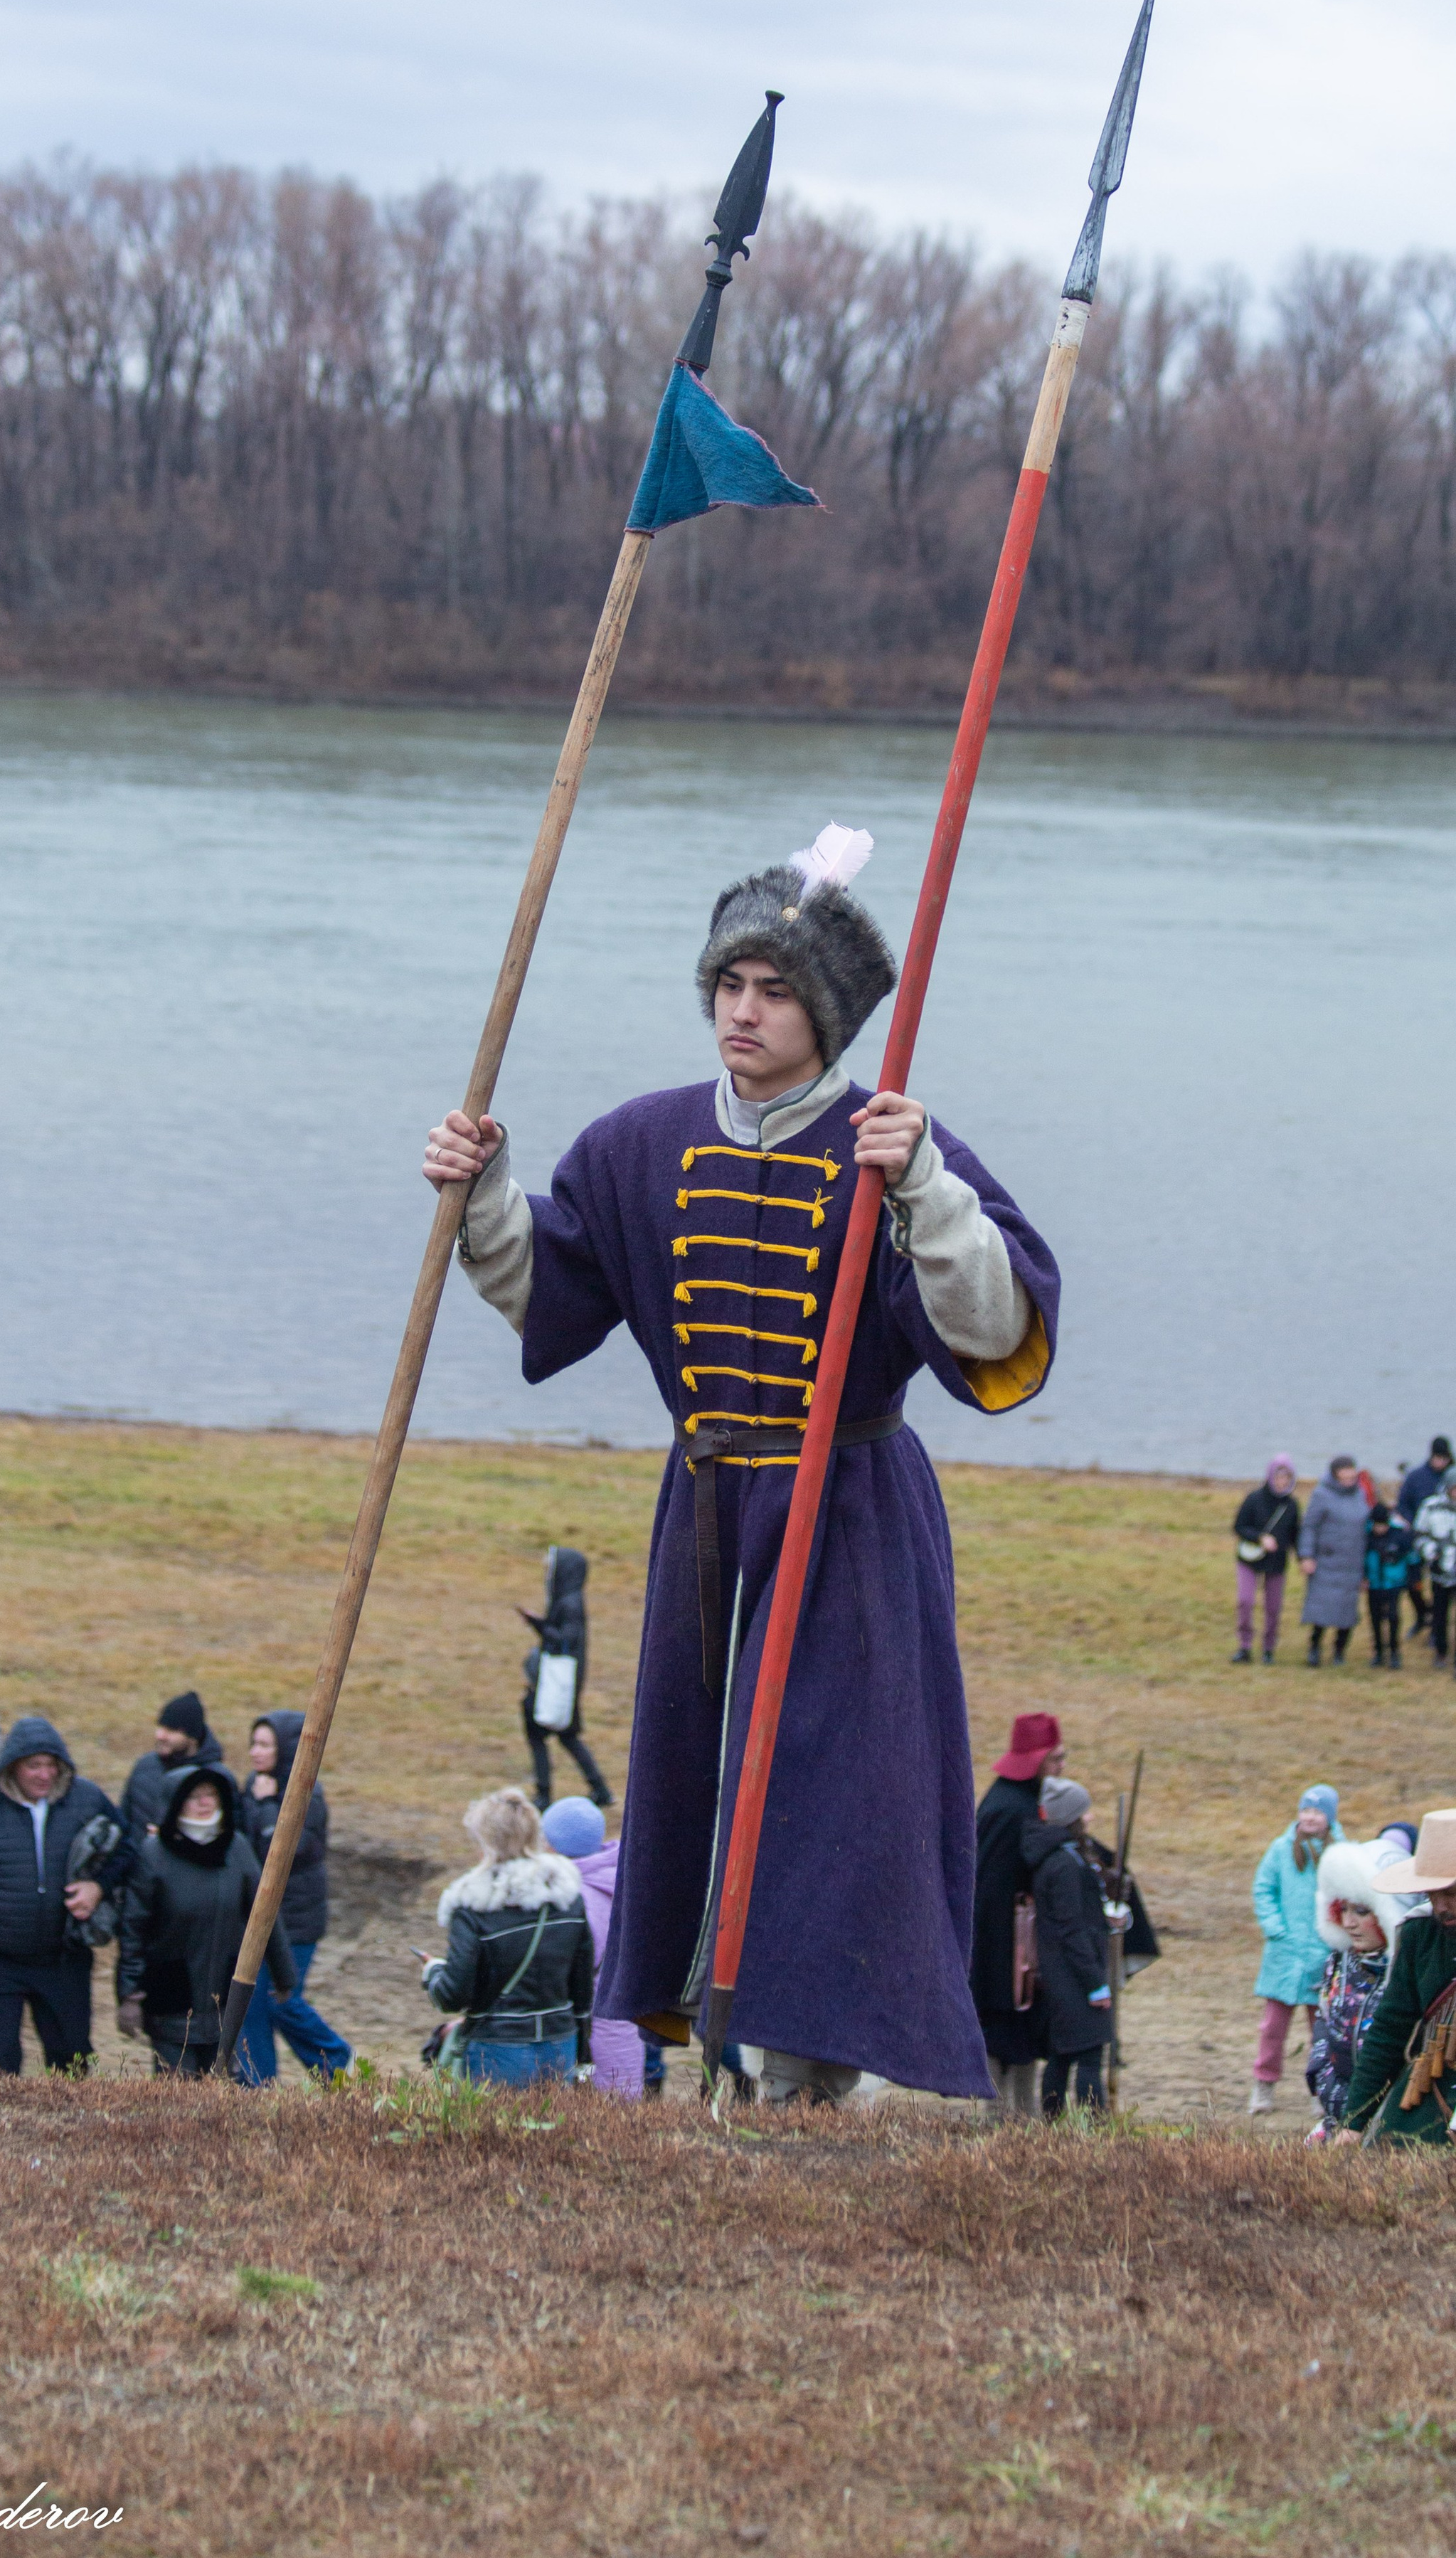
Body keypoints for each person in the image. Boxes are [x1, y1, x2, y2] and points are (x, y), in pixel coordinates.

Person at [424, 827, 1059, 2100]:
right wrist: (482, 1196)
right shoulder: (639, 1146)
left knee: (849, 1794)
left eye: (774, 992)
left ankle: (816, 2066)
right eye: (730, 987)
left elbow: (994, 1329)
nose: (746, 1013)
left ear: (822, 1013)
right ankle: (716, 2042)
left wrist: (925, 1186)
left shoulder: (889, 1145)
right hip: (709, 1516)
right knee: (701, 1779)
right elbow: (552, 1287)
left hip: (854, 1513)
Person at [0, 1715, 131, 2076]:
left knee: (72, 2060)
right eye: (34, 1766)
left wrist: (98, 1886)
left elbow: (127, 1848)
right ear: (13, 1767)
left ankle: (68, 2130)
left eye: (51, 1766)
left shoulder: (86, 1799)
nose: (44, 1775)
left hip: (65, 1958)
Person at [115, 1763, 297, 2076]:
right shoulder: (154, 1853)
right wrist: (129, 1994)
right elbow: (134, 1930)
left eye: (211, 1795)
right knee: (176, 2098)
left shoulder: (236, 1848)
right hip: (171, 2000)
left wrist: (285, 1976)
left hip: (222, 2000)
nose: (205, 1803)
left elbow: (264, 1914)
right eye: (194, 1797)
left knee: (223, 2096)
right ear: (175, 1803)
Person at [422, 1786, 593, 2087]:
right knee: (557, 2133)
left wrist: (433, 1972)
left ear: (484, 1841)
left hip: (497, 2047)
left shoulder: (473, 1907)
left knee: (492, 2134)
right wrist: (583, 2049)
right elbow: (581, 1989)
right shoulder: (567, 1897)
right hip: (560, 2041)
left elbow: (453, 1996)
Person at [236, 1710, 351, 2082]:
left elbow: (288, 1851)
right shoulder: (255, 1786)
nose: (255, 1752)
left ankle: (338, 2063)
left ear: (285, 1748)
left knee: (281, 2000)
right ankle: (255, 2086)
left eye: (265, 1745)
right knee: (250, 2005)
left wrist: (268, 1807)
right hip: (258, 1921)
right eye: (253, 1743)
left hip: (296, 1923)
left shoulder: (306, 1793)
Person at [970, 1711, 1063, 2114]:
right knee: (1000, 2028)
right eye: (1056, 1758)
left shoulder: (1019, 1801)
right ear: (1038, 1760)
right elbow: (991, 1888)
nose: (1062, 1767)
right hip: (1001, 1947)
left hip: (1013, 1945)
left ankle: (1021, 2116)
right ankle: (997, 2116)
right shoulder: (1010, 1809)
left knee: (1021, 2031)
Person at [1343, 1813, 1456, 2145]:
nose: (1441, 1906)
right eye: (1433, 1893)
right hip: (1428, 2089)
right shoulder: (1419, 1931)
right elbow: (1391, 2027)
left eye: (1451, 1893)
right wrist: (1354, 2120)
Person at [1020, 1778, 1118, 2118]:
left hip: (1063, 1973)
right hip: (1074, 1976)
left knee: (1063, 2054)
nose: (1090, 1819)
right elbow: (1072, 1930)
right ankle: (1091, 2128)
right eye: (1084, 1813)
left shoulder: (1061, 1859)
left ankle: (1053, 2125)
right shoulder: (1065, 1865)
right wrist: (1095, 1983)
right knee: (1089, 2055)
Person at [1248, 1783, 1341, 2113]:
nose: (1310, 1817)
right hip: (1285, 1955)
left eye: (1318, 1812)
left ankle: (1321, 2092)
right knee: (1273, 2029)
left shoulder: (1341, 1852)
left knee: (1323, 2030)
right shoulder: (1280, 1849)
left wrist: (1336, 1938)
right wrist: (1276, 1929)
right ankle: (1264, 2087)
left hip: (1324, 1955)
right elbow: (1263, 1888)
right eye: (1306, 1810)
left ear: (1329, 1816)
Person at [542, 1793, 644, 2095]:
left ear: (554, 1845)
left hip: (589, 2033)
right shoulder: (622, 1878)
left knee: (597, 2123)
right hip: (627, 2026)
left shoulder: (573, 1900)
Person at [1304, 1838, 1399, 2138]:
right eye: (1342, 1909)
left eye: (1361, 1911)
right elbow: (1323, 2021)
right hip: (1337, 2116)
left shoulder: (1405, 1972)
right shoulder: (1339, 1963)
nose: (1348, 1923)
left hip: (1391, 2121)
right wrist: (1322, 2076)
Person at [516, 1548, 613, 1810]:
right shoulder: (568, 1600)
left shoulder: (570, 1604)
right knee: (565, 1736)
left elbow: (564, 1640)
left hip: (556, 1683)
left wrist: (539, 1625)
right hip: (560, 1682)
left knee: (542, 1734)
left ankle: (545, 1795)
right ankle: (598, 1789)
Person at [120, 1692, 225, 1846]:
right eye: (161, 1727)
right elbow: (124, 1821)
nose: (160, 1735)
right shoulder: (144, 1767)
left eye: (171, 1730)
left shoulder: (217, 1777)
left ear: (193, 1736)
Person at [1230, 1458, 1300, 1665]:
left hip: (1277, 1563)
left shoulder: (1292, 1506)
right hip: (1249, 1559)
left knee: (1273, 1607)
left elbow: (1296, 1535)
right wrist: (1260, 1537)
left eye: (1286, 1478)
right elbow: (1239, 1527)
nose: (1282, 1482)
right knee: (1245, 1601)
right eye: (1278, 1477)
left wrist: (1304, 1558)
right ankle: (1245, 1646)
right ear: (1270, 1476)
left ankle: (1269, 1649)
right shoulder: (1254, 1499)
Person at [1298, 1458, 1366, 1665]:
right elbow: (1309, 1526)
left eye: (1352, 1474)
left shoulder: (1360, 1493)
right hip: (1327, 1561)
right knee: (1322, 1608)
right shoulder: (1322, 1494)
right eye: (1344, 1475)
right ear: (1336, 1474)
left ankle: (1339, 1651)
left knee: (1347, 1611)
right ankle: (1315, 1648)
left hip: (1353, 1563)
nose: (1349, 1479)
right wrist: (1307, 1555)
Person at [1396, 1437, 1452, 1635]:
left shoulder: (1452, 1477)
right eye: (1438, 1458)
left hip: (1447, 1545)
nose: (1441, 1462)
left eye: (1445, 1458)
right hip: (1419, 1539)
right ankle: (1422, 1616)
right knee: (1413, 1583)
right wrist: (1415, 1524)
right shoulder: (1416, 1476)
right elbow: (1402, 1504)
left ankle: (1438, 1629)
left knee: (1442, 1590)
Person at [1413, 1468, 1456, 1669]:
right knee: (1440, 1614)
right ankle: (1440, 1652)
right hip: (1440, 1572)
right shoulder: (1431, 1507)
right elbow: (1419, 1535)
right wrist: (1431, 1552)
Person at [1363, 1499, 1413, 1671]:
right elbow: (1361, 1560)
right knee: (1375, 1618)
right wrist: (1364, 1577)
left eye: (1383, 1525)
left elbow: (1410, 1556)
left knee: (1393, 1617)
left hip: (1393, 1584)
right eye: (1377, 1525)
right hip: (1374, 1584)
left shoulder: (1399, 1535)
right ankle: (1378, 1652)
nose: (1380, 1529)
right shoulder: (1367, 1537)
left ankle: (1394, 1652)